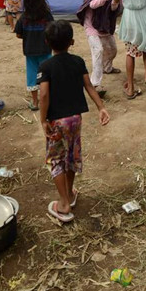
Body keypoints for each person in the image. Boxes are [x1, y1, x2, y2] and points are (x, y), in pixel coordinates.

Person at [38, 20, 110, 223]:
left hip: (57, 122)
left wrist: (43, 119)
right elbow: (89, 86)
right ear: (72, 41)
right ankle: (69, 194)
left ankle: (63, 204)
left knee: (56, 160)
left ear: (47, 42)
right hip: (75, 119)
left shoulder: (45, 67)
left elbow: (44, 95)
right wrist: (101, 107)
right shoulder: (78, 61)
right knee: (71, 156)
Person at [76, 0, 121, 96]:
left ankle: (107, 68)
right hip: (91, 26)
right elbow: (92, 4)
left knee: (112, 49)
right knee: (98, 51)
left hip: (104, 26)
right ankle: (95, 84)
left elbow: (113, 8)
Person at [15, 0, 54, 111]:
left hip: (30, 51)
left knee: (32, 75)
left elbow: (18, 34)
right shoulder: (47, 16)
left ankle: (35, 102)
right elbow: (52, 31)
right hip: (45, 50)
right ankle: (47, 100)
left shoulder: (23, 17)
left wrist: (28, 36)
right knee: (47, 75)